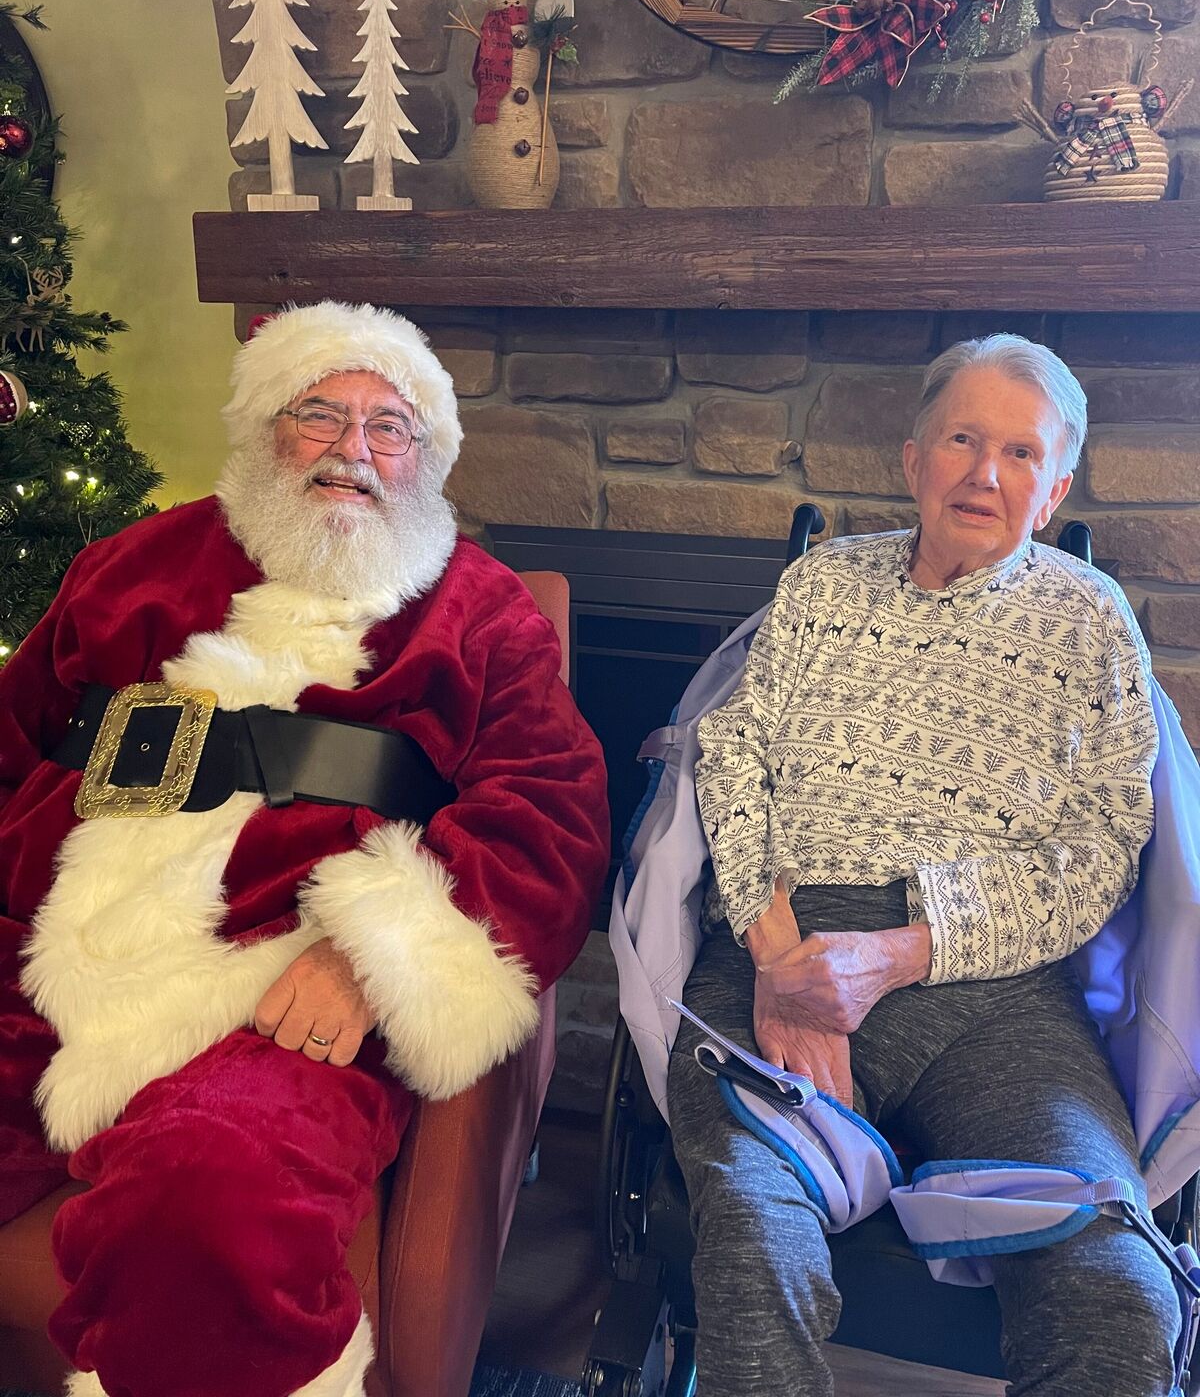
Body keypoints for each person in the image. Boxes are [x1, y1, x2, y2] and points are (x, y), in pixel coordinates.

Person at [0, 300, 609, 1397]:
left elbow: (550, 814)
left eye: (389, 426)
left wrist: (376, 959)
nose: (352, 450)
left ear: (425, 458)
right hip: (39, 956)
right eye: (318, 413)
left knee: (211, 1194)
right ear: (262, 429)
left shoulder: (480, 612)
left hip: (281, 988)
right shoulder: (128, 565)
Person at [671, 334, 1179, 1397]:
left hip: (997, 1000)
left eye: (1020, 453)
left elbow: (1102, 851)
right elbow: (731, 754)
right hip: (780, 954)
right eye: (961, 440)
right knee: (755, 1234)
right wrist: (778, 959)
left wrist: (902, 953)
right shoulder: (821, 586)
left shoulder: (1092, 622)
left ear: (1054, 491)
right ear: (913, 461)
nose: (985, 474)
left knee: (1118, 1283)